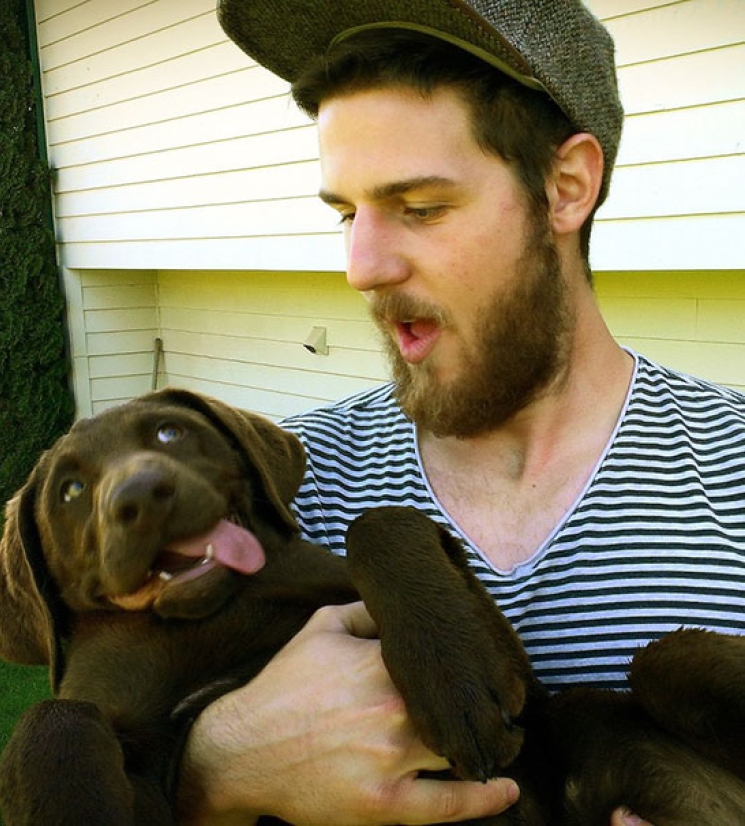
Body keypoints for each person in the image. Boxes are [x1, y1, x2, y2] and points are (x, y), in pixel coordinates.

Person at [175, 1, 745, 823]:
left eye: (420, 207)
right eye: (346, 214)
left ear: (565, 187)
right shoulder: (285, 487)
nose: (362, 267)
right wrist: (219, 769)